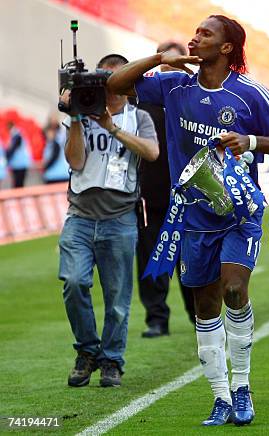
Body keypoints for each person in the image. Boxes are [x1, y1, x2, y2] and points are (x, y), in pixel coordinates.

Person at [106, 15, 269, 426]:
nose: (196, 38)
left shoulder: (250, 94)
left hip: (238, 214)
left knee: (233, 289)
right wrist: (159, 58)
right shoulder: (172, 84)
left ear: (227, 48)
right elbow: (115, 85)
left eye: (205, 34)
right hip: (192, 216)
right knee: (205, 305)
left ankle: (243, 388)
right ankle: (220, 397)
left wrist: (249, 141)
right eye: (195, 33)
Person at [58, 54, 159, 389]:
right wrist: (75, 118)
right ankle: (87, 351)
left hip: (120, 217)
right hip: (81, 216)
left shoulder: (138, 117)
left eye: (117, 79)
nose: (110, 85)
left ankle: (112, 361)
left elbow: (151, 152)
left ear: (129, 83)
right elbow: (75, 160)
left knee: (117, 300)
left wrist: (111, 127)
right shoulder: (81, 115)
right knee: (73, 282)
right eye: (104, 79)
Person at [136, 41, 196, 338]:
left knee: (190, 259)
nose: (170, 67)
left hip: (187, 196)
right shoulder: (142, 101)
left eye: (176, 61)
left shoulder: (192, 99)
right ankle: (156, 318)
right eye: (166, 62)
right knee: (151, 259)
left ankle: (199, 316)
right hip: (151, 196)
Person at [42, 116, 70, 184]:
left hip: (56, 174)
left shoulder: (55, 143)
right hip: (58, 174)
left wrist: (45, 168)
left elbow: (54, 157)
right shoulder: (50, 143)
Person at [6, 120, 31, 188]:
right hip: (20, 164)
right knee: (19, 184)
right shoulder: (18, 135)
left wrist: (6, 160)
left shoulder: (17, 136)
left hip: (19, 165)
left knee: (18, 185)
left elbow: (11, 150)